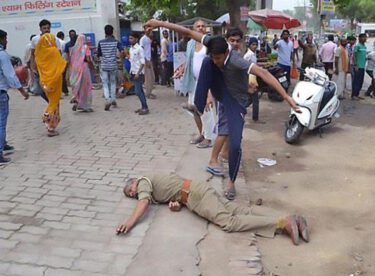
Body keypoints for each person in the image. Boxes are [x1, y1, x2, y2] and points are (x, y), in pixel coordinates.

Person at [145, 19, 300, 201]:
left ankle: (232, 182)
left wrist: (287, 97)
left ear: (227, 53)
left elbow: (264, 74)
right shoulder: (213, 45)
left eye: (219, 58)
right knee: (206, 63)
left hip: (236, 102)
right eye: (214, 57)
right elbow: (186, 31)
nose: (216, 61)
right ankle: (199, 105)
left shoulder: (237, 60)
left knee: (235, 144)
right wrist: (159, 23)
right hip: (221, 91)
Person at [117, 174, 310, 246]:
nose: (134, 194)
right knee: (240, 212)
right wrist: (176, 204)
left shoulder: (143, 182)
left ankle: (283, 223)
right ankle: (291, 219)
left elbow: (142, 203)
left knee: (229, 223)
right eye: (131, 195)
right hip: (196, 192)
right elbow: (173, 191)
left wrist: (129, 222)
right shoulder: (152, 185)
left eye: (131, 191)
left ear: (134, 182)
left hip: (196, 195)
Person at [175, 19, 214, 148]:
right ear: (193, 29)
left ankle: (209, 138)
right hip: (193, 81)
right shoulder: (190, 43)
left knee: (206, 111)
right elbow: (189, 61)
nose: (201, 28)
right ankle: (202, 133)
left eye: (203, 26)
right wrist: (182, 70)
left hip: (206, 82)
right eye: (198, 26)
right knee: (195, 111)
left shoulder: (209, 44)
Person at [0, 29, 29, 164]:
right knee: (1, 122)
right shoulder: (2, 55)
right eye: (5, 39)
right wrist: (22, 91)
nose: (6, 41)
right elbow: (10, 75)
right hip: (1, 93)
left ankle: (3, 143)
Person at [35, 33, 67, 137]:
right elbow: (62, 64)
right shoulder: (54, 51)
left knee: (52, 102)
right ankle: (49, 123)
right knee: (54, 103)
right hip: (55, 81)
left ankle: (50, 124)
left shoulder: (40, 53)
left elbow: (38, 66)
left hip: (45, 81)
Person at [30, 19, 62, 103]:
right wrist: (33, 67)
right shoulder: (35, 39)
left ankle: (53, 107)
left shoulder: (54, 39)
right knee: (40, 90)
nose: (46, 30)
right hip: (39, 69)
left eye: (48, 28)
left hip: (51, 70)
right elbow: (32, 54)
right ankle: (52, 103)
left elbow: (59, 54)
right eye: (44, 28)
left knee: (52, 90)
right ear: (40, 29)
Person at [97, 24, 124, 110]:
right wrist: (120, 59)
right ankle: (113, 99)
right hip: (113, 65)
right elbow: (122, 51)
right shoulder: (116, 42)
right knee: (113, 82)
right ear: (112, 32)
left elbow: (99, 54)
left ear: (105, 32)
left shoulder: (101, 42)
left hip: (104, 65)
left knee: (105, 83)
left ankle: (108, 99)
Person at [68, 34, 93, 112]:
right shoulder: (85, 47)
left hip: (75, 69)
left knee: (78, 85)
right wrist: (92, 66)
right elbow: (88, 59)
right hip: (84, 68)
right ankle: (85, 106)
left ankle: (77, 100)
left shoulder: (73, 48)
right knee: (86, 87)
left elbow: (70, 60)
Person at [128, 32, 149, 115]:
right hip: (133, 72)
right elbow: (132, 62)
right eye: (129, 38)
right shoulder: (131, 49)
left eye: (131, 38)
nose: (130, 40)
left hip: (139, 73)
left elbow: (142, 62)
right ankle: (144, 106)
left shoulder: (139, 48)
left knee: (137, 91)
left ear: (136, 39)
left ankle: (145, 107)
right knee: (139, 90)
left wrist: (138, 73)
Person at [244, 37, 260, 122]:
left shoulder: (253, 54)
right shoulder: (248, 55)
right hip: (250, 79)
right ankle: (255, 118)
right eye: (253, 44)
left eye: (256, 44)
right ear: (249, 45)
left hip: (253, 77)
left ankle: (240, 109)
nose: (255, 46)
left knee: (250, 99)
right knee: (255, 100)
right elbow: (243, 67)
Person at [140, 26, 156, 99]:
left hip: (149, 59)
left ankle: (149, 92)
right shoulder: (142, 39)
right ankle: (147, 93)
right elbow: (142, 51)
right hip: (146, 60)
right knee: (148, 78)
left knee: (152, 77)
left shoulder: (148, 38)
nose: (150, 31)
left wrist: (151, 33)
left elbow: (151, 40)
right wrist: (146, 61)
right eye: (148, 29)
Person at [351, 33, 367, 100]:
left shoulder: (364, 46)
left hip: (363, 67)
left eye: (365, 37)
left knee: (361, 81)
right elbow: (354, 56)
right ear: (359, 38)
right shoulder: (357, 46)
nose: (365, 39)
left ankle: (357, 94)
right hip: (358, 67)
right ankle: (354, 95)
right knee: (356, 81)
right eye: (363, 37)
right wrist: (355, 65)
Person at [57, 31, 69, 96]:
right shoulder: (64, 43)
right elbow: (65, 53)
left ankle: (61, 91)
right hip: (63, 62)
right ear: (62, 36)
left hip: (56, 62)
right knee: (63, 76)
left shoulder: (55, 41)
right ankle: (65, 91)